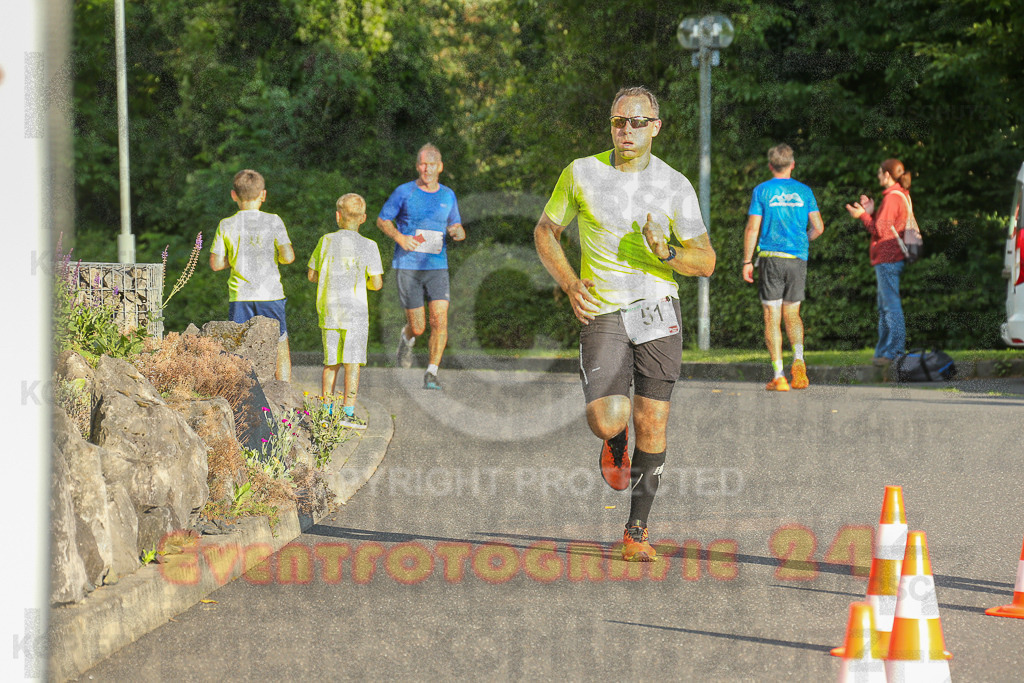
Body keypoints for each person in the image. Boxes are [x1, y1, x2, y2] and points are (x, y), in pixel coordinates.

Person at [534, 86, 716, 562]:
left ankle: (636, 531)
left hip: (658, 308)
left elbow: (707, 261)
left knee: (652, 421)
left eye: (637, 122)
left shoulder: (675, 184)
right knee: (608, 419)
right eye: (619, 121)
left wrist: (668, 252)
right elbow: (545, 231)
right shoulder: (582, 172)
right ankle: (614, 441)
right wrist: (571, 282)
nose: (626, 130)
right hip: (604, 308)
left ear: (655, 127)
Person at [377, 144, 465, 390]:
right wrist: (400, 238)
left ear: (441, 167)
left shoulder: (448, 195)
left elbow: (456, 225)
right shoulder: (404, 192)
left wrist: (456, 231)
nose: (427, 169)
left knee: (440, 320)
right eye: (423, 164)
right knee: (419, 326)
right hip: (409, 265)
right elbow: (382, 220)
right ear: (418, 166)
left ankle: (432, 372)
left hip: (437, 266)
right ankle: (406, 339)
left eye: (432, 164)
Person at [742, 144, 825, 391]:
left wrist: (747, 261)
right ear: (792, 165)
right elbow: (818, 227)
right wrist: (803, 240)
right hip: (797, 259)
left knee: (772, 317)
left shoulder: (762, 191)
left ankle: (779, 376)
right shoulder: (805, 191)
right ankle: (799, 362)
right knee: (793, 314)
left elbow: (752, 228)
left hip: (771, 258)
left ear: (770, 166)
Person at [210, 169, 295, 381]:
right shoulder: (274, 221)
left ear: (234, 195)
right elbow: (288, 257)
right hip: (271, 294)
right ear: (263, 195)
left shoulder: (226, 224)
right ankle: (284, 394)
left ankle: (242, 394)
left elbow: (216, 264)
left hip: (241, 296)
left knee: (239, 346)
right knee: (280, 342)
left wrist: (237, 258)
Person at [307, 193, 384, 429]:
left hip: (330, 312)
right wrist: (366, 283)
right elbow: (376, 283)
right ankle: (348, 413)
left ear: (338, 216)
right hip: (356, 315)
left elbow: (312, 275)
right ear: (363, 219)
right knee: (352, 363)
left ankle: (326, 412)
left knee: (331, 363)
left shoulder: (326, 241)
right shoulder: (369, 246)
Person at [845, 159, 912, 365]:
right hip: (889, 260)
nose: (878, 176)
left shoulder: (892, 198)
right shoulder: (898, 195)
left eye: (879, 172)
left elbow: (880, 231)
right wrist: (871, 212)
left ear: (887, 175)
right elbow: (884, 226)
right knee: (885, 308)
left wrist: (862, 215)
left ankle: (894, 352)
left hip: (888, 259)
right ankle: (883, 353)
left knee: (890, 307)